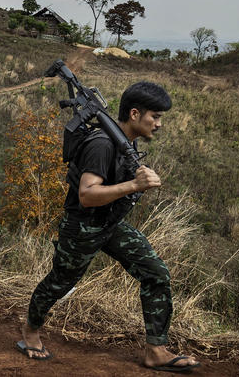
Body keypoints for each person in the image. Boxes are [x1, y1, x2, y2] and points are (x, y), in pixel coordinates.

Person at [17, 81, 200, 373]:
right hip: (83, 227)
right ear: (135, 114)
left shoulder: (124, 141)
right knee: (60, 282)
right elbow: (87, 195)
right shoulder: (102, 144)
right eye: (156, 117)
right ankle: (30, 332)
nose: (159, 124)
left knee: (156, 274)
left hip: (111, 224)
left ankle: (156, 350)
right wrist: (134, 185)